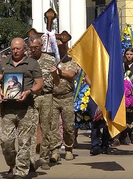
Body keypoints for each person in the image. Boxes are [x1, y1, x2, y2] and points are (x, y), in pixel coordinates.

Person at [0, 37, 43, 179]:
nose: (15, 51)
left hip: (26, 108)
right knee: (6, 143)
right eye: (12, 48)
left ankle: (20, 172)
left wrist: (29, 91)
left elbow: (39, 83)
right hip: (8, 109)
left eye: (18, 48)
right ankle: (12, 165)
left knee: (24, 142)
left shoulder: (32, 63)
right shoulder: (4, 63)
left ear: (24, 48)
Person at [28, 35, 60, 170]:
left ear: (41, 46)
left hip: (46, 97)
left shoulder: (50, 60)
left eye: (35, 47)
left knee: (47, 127)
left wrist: (54, 74)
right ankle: (30, 159)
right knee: (30, 128)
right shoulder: (27, 61)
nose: (33, 50)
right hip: (31, 97)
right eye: (31, 48)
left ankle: (44, 157)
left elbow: (57, 82)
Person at [50, 42, 78, 162]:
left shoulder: (71, 60)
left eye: (62, 47)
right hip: (53, 97)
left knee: (68, 125)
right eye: (58, 47)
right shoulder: (51, 61)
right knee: (53, 126)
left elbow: (71, 74)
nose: (60, 49)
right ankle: (55, 150)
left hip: (67, 97)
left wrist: (58, 71)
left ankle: (68, 148)